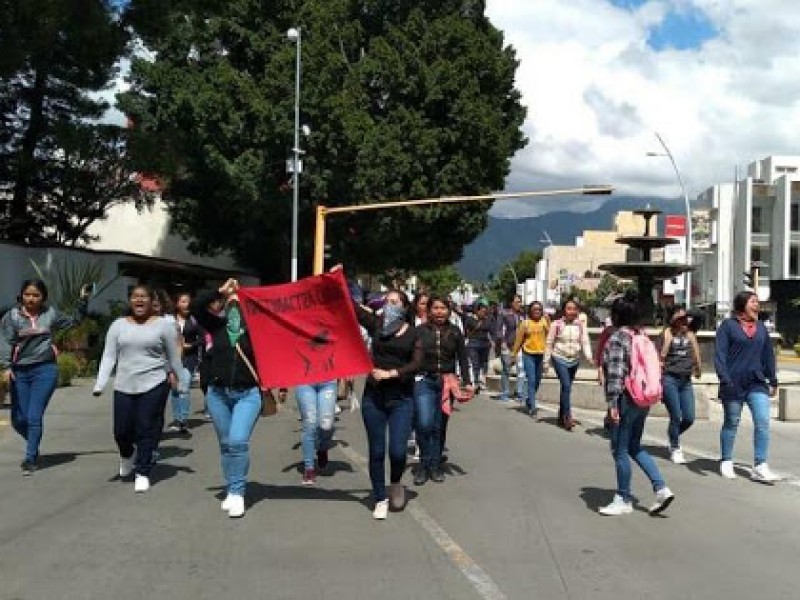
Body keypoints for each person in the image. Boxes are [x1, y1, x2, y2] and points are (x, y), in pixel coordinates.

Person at [93, 285, 182, 493]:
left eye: (144, 297)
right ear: (130, 301)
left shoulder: (163, 325)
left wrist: (181, 379)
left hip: (154, 382)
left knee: (145, 428)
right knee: (121, 431)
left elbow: (173, 355)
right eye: (135, 297)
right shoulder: (118, 325)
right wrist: (100, 383)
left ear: (152, 301)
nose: (139, 300)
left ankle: (142, 471)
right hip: (124, 384)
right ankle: (126, 455)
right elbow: (108, 356)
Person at [1, 279, 91, 475]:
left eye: (36, 295)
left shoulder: (50, 314)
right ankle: (33, 441)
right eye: (28, 295)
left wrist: (83, 300)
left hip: (45, 369)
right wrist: (6, 367)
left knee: (34, 416)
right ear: (21, 295)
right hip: (20, 372)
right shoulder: (12, 317)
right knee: (18, 420)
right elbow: (5, 342)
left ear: (43, 298)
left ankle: (30, 458)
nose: (31, 299)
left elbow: (74, 320)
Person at [599, 290, 675, 516]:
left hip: (625, 398)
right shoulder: (641, 336)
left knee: (619, 449)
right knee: (634, 446)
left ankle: (623, 497)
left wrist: (612, 404)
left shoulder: (618, 339)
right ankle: (661, 487)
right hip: (643, 398)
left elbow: (615, 374)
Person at [191, 278, 262, 517]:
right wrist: (219, 291)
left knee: (238, 441)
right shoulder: (217, 326)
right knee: (226, 445)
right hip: (218, 394)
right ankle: (232, 487)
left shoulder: (256, 330)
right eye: (228, 303)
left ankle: (238, 492)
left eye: (237, 301)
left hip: (248, 394)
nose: (233, 305)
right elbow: (196, 308)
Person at [354, 287, 422, 520]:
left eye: (395, 302)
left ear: (404, 307)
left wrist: (392, 373)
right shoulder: (375, 325)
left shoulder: (414, 334)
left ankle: (395, 483)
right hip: (374, 397)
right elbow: (352, 309)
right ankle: (380, 497)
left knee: (397, 451)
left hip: (402, 399)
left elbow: (416, 364)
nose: (389, 305)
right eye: (387, 301)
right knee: (376, 450)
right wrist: (339, 280)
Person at [715, 291, 780, 482]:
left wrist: (773, 379)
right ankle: (726, 460)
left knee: (762, 421)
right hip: (733, 382)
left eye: (757, 302)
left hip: (756, 382)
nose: (757, 305)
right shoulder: (728, 327)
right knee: (731, 422)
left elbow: (768, 355)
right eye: (753, 301)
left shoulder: (761, 328)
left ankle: (760, 465)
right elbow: (719, 355)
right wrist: (724, 378)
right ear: (742, 305)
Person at [412, 295, 472, 485]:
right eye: (435, 308)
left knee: (439, 425)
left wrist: (467, 381)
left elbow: (462, 358)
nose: (439, 312)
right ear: (429, 310)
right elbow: (409, 355)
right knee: (424, 423)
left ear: (449, 311)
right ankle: (423, 464)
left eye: (443, 308)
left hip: (447, 382)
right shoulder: (419, 331)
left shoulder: (455, 332)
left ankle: (434, 465)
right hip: (424, 381)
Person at [659, 306, 701, 464]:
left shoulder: (690, 333)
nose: (684, 321)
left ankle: (672, 435)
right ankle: (675, 447)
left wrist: (697, 368)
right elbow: (658, 357)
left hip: (686, 381)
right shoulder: (666, 334)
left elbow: (699, 315)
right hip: (670, 379)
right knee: (676, 416)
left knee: (689, 418)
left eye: (686, 318)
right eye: (680, 318)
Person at [544, 298, 594, 430]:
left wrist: (589, 356)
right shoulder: (556, 324)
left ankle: (561, 415)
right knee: (566, 385)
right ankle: (567, 416)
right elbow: (549, 343)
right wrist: (546, 362)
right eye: (569, 309)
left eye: (574, 309)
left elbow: (585, 341)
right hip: (559, 357)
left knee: (566, 388)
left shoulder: (580, 325)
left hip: (574, 359)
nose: (571, 311)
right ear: (564, 310)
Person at [168, 292, 204, 435]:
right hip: (173, 358)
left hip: (189, 358)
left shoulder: (194, 320)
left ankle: (183, 419)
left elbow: (202, 338)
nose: (186, 304)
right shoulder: (169, 320)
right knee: (175, 389)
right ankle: (177, 418)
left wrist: (191, 345)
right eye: (183, 301)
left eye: (188, 301)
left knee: (185, 386)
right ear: (177, 304)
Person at [295, 379, 338, 485]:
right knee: (310, 424)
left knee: (326, 425)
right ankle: (309, 469)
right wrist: (283, 387)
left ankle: (322, 448)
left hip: (328, 380)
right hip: (304, 380)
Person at [511, 301, 549, 416]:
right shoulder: (525, 324)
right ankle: (532, 405)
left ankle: (529, 399)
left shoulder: (544, 322)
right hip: (528, 354)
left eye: (539, 309)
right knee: (531, 379)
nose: (537, 311)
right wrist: (514, 354)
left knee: (537, 380)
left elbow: (550, 336)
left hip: (541, 354)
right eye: (534, 309)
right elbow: (518, 340)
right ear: (530, 311)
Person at [495, 295, 526, 403]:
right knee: (506, 369)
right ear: (511, 303)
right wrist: (502, 342)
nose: (519, 304)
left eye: (520, 302)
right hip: (507, 345)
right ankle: (505, 392)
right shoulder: (504, 314)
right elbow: (499, 329)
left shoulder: (523, 315)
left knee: (521, 369)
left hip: (521, 346)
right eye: (517, 302)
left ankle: (519, 392)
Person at [461, 300, 493, 393]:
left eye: (485, 311)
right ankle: (474, 383)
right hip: (473, 343)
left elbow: (489, 329)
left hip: (485, 344)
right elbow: (467, 332)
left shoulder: (487, 319)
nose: (484, 313)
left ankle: (481, 381)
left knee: (484, 363)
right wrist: (478, 326)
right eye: (482, 311)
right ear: (477, 311)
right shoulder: (470, 319)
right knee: (475, 364)